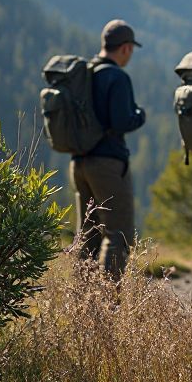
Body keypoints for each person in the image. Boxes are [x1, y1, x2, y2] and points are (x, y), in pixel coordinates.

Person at [70, 19, 146, 278]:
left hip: (79, 162)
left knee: (88, 233)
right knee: (118, 233)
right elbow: (122, 121)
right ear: (125, 48)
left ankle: (82, 302)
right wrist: (140, 115)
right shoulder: (116, 77)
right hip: (108, 165)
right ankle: (108, 303)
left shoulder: (84, 73)